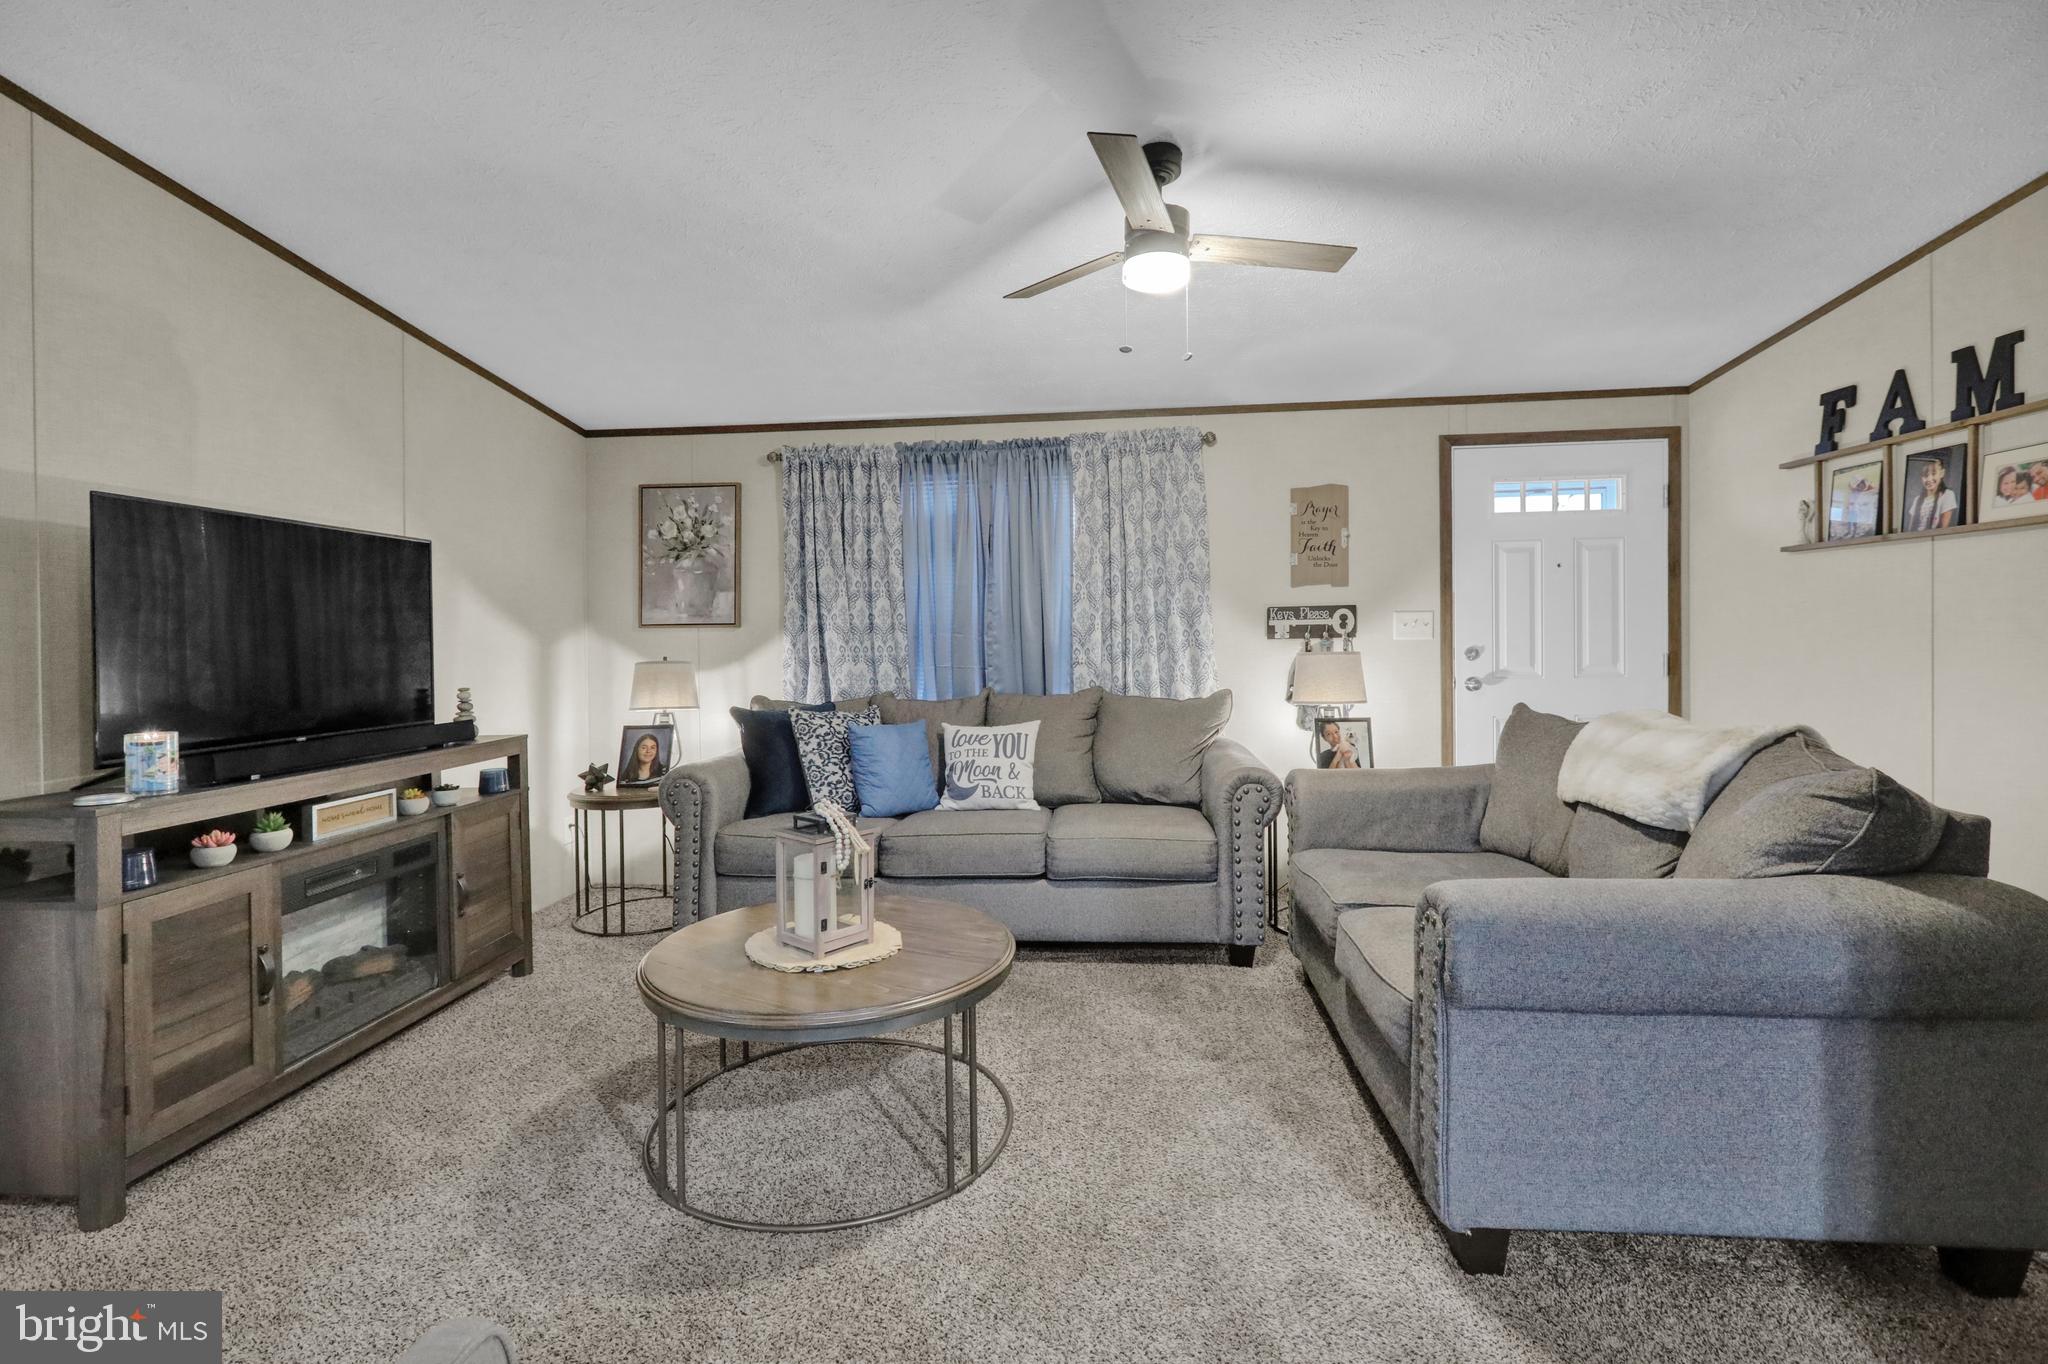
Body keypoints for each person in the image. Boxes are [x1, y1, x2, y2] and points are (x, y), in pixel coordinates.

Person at [1904, 459, 1959, 531]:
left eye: (1933, 473)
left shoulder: (1948, 495)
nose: (1929, 479)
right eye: (1926, 475)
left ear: (1942, 473)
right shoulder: (1917, 499)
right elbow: (1910, 529)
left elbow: (1943, 529)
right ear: (1921, 477)